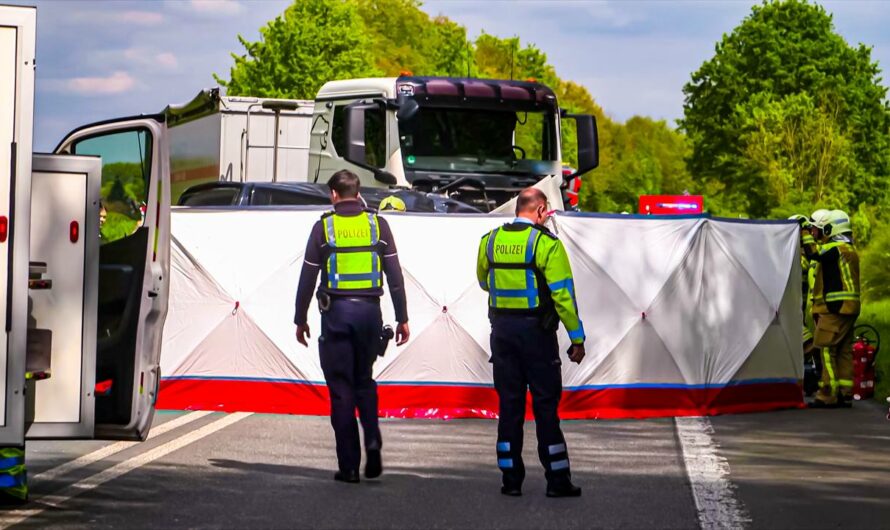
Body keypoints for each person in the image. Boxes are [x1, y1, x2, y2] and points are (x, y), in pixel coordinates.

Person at [294, 170, 410, 483]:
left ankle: (348, 467)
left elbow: (308, 278)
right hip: (370, 315)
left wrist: (300, 317)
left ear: (333, 194)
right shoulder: (377, 225)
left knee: (341, 390)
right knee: (364, 380)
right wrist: (402, 318)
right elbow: (395, 278)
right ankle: (372, 439)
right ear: (357, 193)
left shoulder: (324, 228)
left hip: (336, 317)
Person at [477, 187, 586, 498]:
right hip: (537, 336)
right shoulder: (546, 244)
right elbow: (562, 295)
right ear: (540, 211)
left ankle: (510, 480)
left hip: (502, 334)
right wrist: (577, 337)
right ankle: (557, 481)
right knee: (545, 409)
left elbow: (484, 281)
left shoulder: (490, 240)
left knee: (509, 407)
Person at [807, 209, 860, 408]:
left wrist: (802, 233)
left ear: (830, 229)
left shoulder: (834, 249)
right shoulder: (849, 250)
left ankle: (827, 393)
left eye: (818, 229)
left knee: (826, 348)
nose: (815, 232)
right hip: (850, 308)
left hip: (836, 309)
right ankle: (845, 393)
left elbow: (813, 253)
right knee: (844, 350)